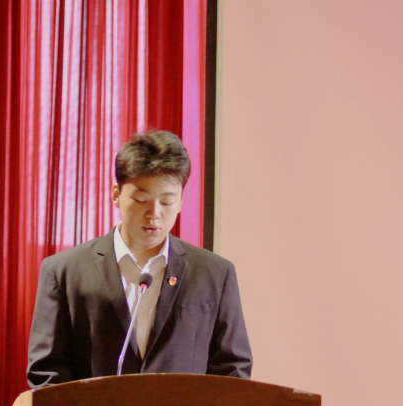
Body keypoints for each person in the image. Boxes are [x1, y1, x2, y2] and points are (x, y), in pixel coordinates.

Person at [27, 129, 252, 388]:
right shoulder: (64, 271)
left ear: (181, 202)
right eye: (141, 199)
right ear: (116, 194)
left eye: (167, 202)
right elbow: (46, 373)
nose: (154, 213)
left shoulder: (215, 274)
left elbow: (232, 370)